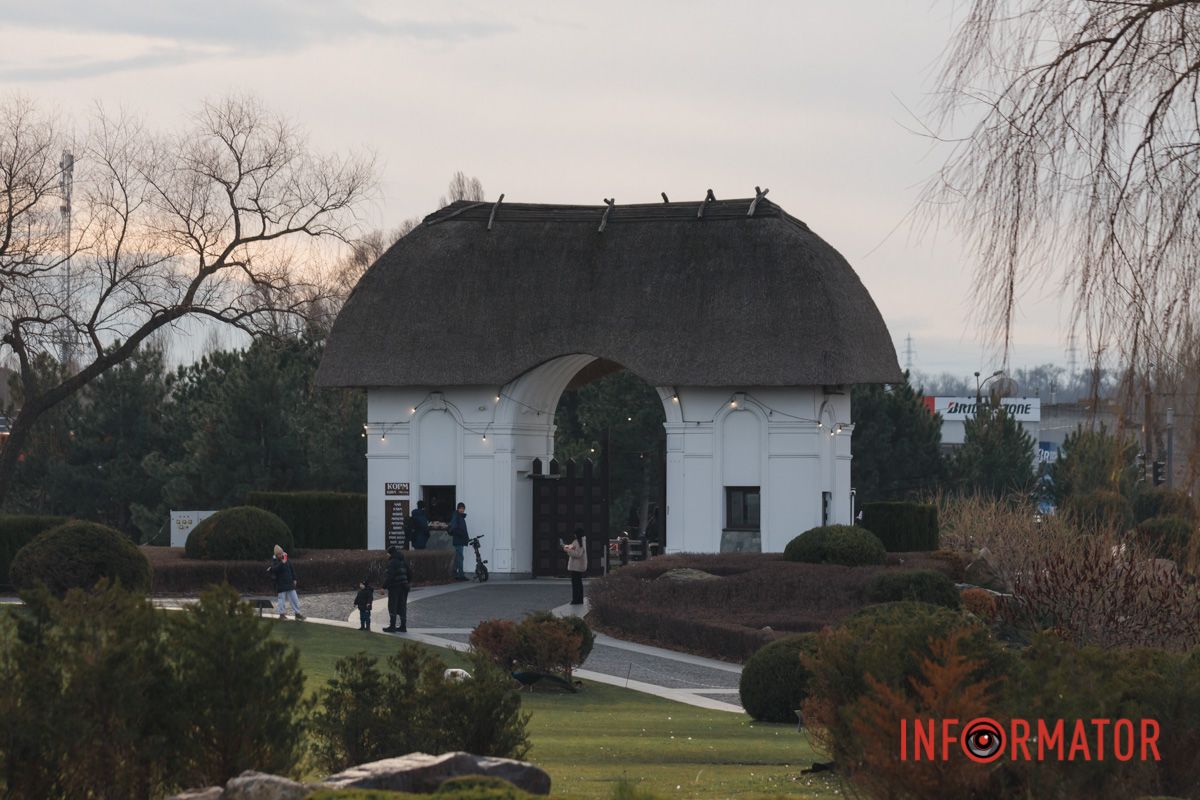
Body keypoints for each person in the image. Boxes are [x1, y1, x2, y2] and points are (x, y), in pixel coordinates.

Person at [269, 544, 305, 621]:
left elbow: (292, 569)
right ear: (276, 554)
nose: (281, 555)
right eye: (279, 554)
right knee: (281, 600)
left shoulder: (286, 558)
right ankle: (281, 615)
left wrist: (294, 579)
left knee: (294, 599)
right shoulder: (274, 561)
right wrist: (282, 562)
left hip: (289, 583)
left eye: (281, 553)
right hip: (281, 584)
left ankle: (297, 613)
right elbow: (275, 569)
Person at [382, 545, 413, 632]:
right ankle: (403, 626)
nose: (387, 555)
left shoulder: (392, 562)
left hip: (395, 587)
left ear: (390, 553)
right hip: (404, 587)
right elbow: (410, 574)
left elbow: (390, 576)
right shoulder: (403, 561)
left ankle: (392, 626)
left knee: (392, 606)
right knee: (402, 606)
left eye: (387, 554)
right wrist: (407, 582)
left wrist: (383, 587)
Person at [563, 527, 587, 605]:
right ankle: (579, 599)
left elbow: (577, 554)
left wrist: (568, 550)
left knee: (576, 584)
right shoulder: (579, 541)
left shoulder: (579, 542)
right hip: (577, 566)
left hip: (576, 566)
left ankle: (576, 600)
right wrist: (566, 547)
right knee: (578, 583)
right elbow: (573, 547)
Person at [448, 502, 469, 580]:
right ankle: (460, 575)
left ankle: (455, 573)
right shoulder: (456, 516)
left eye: (463, 508)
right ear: (458, 508)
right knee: (460, 557)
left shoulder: (460, 517)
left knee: (458, 557)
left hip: (460, 540)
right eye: (461, 508)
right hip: (458, 540)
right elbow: (454, 528)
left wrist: (466, 537)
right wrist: (461, 534)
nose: (462, 510)